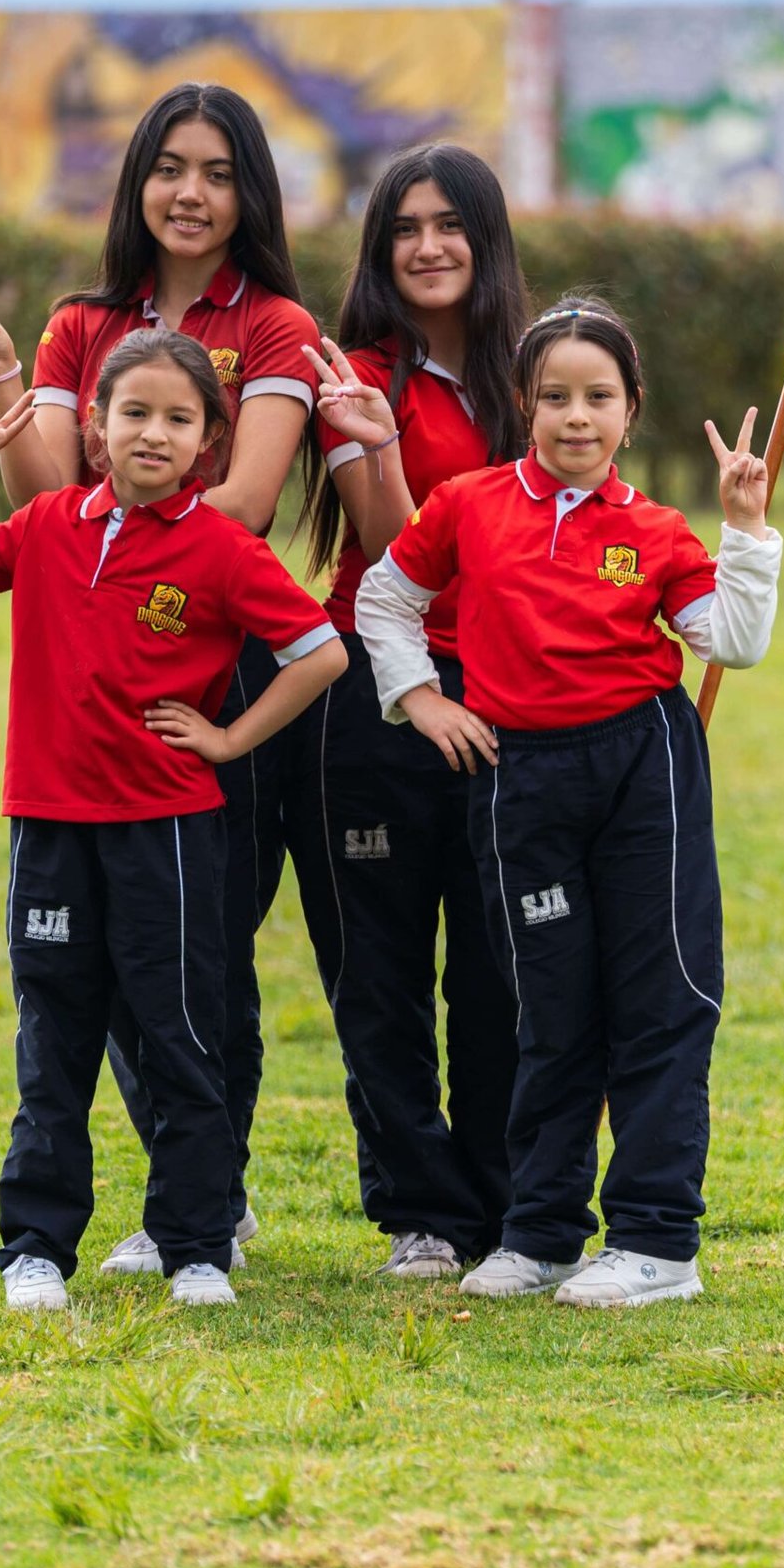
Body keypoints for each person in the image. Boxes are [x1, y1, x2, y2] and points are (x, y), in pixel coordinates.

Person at [0, 83, 320, 1273]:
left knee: (197, 967)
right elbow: (41, 501)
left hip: (219, 663)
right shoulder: (78, 324)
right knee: (86, 977)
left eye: (219, 171)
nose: (191, 193)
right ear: (137, 180)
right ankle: (177, 1211)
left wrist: (161, 520)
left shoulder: (281, 325)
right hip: (88, 638)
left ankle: (204, 1207)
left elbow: (239, 506)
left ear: (250, 191)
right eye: (169, 167)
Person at [354, 295, 782, 1310]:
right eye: (554, 397)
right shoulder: (465, 504)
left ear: (631, 411)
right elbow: (385, 599)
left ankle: (655, 1241)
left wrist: (748, 531)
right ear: (522, 404)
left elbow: (730, 639)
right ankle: (541, 1232)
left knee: (659, 1000)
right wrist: (420, 701)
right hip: (519, 778)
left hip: (644, 769)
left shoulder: (658, 530)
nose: (574, 418)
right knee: (547, 1007)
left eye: (598, 397)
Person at [285, 145, 527, 1279]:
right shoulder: (354, 375)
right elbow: (392, 556)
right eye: (404, 229)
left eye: (448, 224)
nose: (427, 247)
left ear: (485, 239)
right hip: (369, 706)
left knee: (499, 966)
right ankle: (422, 1215)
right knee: (376, 971)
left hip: (505, 700)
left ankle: (499, 1205)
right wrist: (374, 443)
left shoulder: (538, 378)